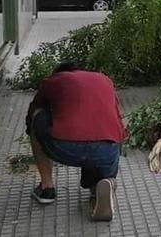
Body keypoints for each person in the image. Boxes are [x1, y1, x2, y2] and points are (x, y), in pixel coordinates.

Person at [26, 61, 125, 221]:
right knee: (108, 127)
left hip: (65, 147)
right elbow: (120, 123)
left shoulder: (54, 80)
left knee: (38, 115)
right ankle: (101, 184)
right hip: (107, 151)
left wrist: (34, 134)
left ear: (58, 72)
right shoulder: (104, 80)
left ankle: (47, 188)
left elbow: (33, 110)